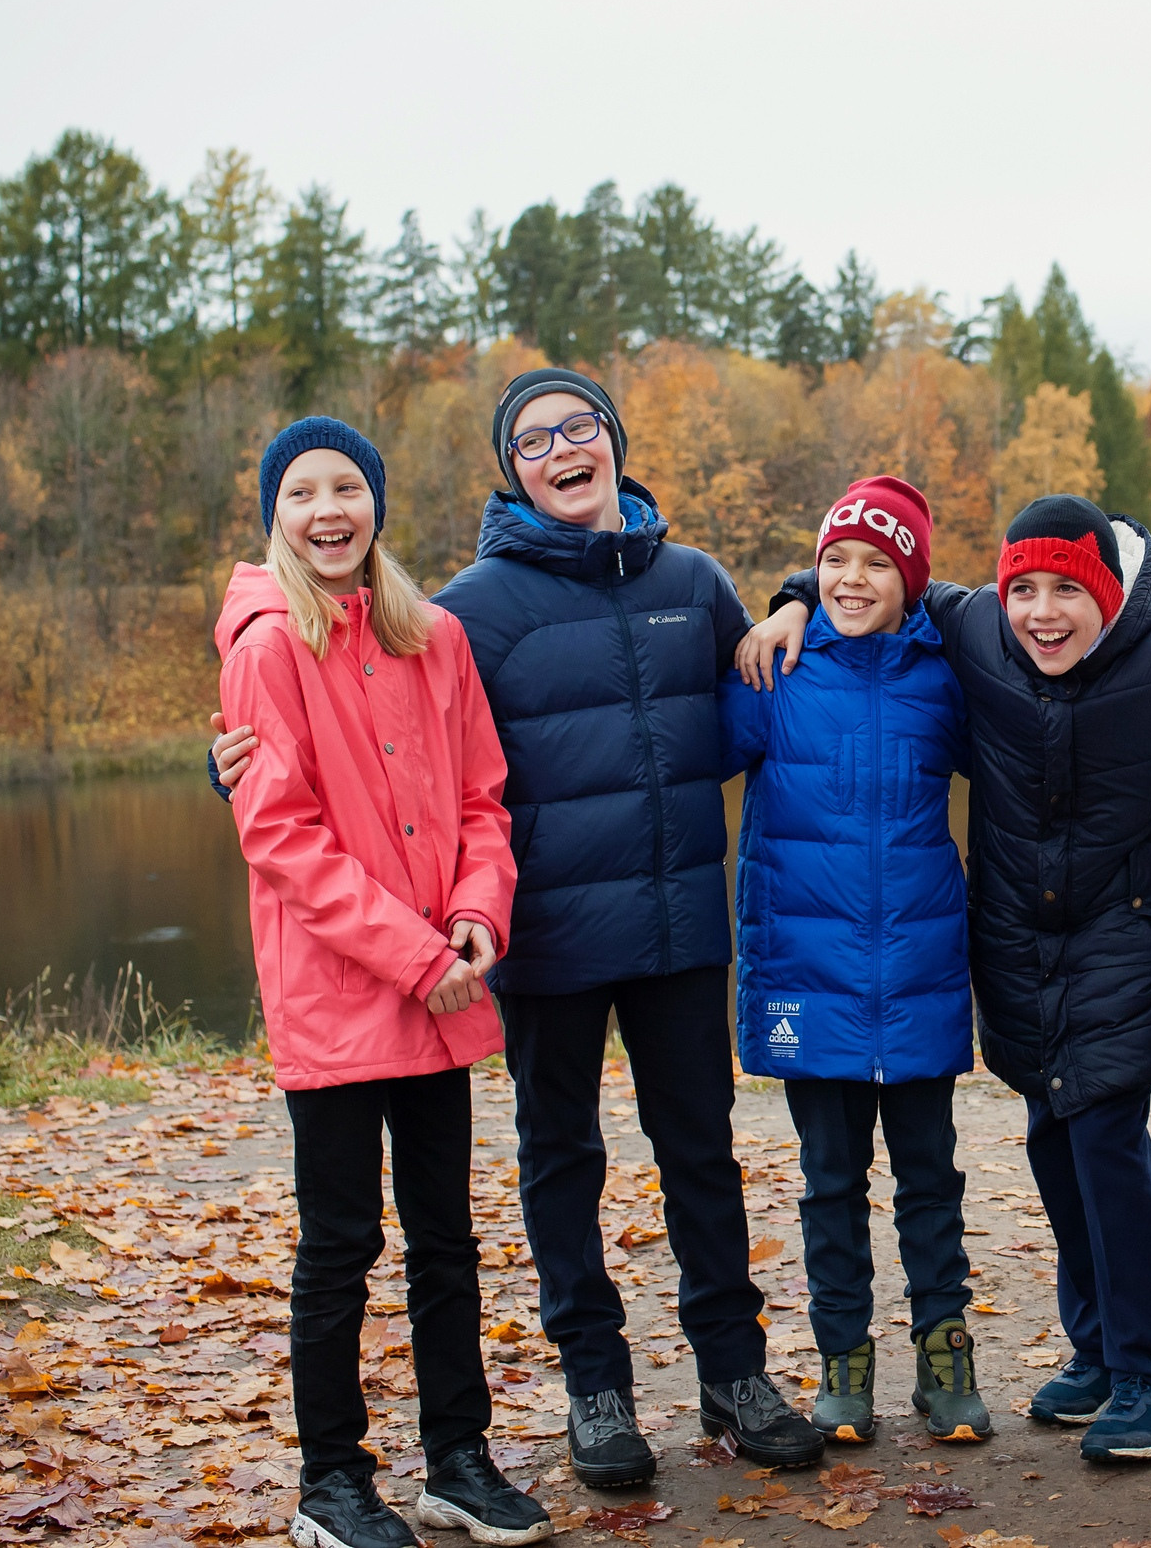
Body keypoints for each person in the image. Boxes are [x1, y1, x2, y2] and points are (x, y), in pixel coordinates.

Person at [216, 370, 825, 1490]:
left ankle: (735, 1376)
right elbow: (385, 745)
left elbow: (764, 696)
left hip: (682, 922)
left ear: (613, 441)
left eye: (577, 427)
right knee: (562, 1163)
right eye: (533, 439)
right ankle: (595, 1389)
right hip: (542, 936)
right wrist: (232, 773)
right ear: (512, 470)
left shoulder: (693, 583)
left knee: (703, 1155)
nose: (560, 449)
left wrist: (796, 597)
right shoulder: (468, 609)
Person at [739, 492, 1151, 1462]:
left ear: (1109, 594)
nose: (1041, 610)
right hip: (998, 943)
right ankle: (1091, 1352)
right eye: (1023, 589)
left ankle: (1146, 1372)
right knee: (1044, 1137)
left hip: (1100, 938)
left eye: (1066, 590)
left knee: (1097, 1143)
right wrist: (794, 593)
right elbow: (858, 578)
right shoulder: (952, 637)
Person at [215, 417, 552, 1548]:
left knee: (447, 1234)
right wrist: (417, 959)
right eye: (302, 491)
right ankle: (332, 1479)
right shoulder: (266, 648)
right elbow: (285, 839)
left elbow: (479, 801)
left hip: (441, 986)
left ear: (375, 504)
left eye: (346, 487)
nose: (327, 509)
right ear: (277, 513)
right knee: (342, 1241)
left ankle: (458, 1459)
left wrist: (472, 915)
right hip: (341, 999)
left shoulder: (433, 636)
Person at [722, 478, 989, 1445]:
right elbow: (669, 748)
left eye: (878, 563)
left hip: (916, 974)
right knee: (829, 1180)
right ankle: (843, 1362)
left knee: (930, 1177)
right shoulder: (776, 670)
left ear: (911, 581)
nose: (851, 577)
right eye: (836, 560)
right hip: (807, 977)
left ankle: (944, 1356)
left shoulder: (942, 678)